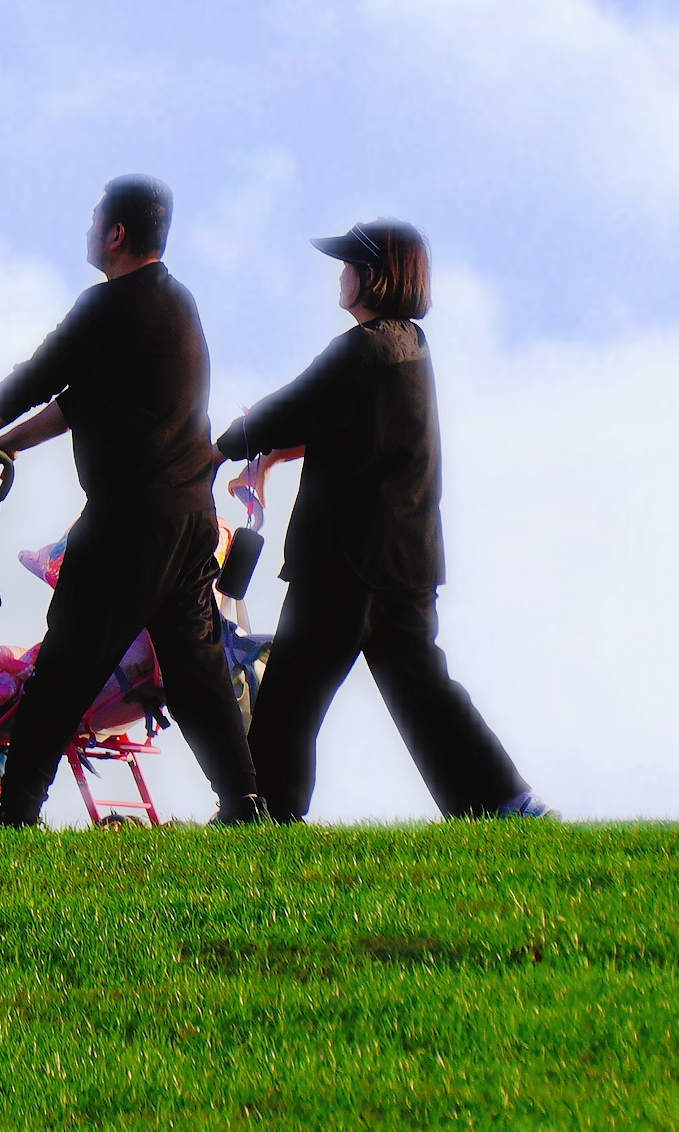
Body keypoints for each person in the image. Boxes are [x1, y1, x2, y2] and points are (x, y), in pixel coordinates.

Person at [0, 175, 260, 827]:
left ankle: (15, 812)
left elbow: (35, 378)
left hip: (127, 524)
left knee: (63, 669)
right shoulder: (176, 305)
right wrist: (5, 448)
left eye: (92, 220)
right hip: (188, 519)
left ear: (116, 234)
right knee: (195, 673)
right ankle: (245, 804)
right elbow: (78, 401)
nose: (86, 232)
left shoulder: (106, 306)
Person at [214, 219, 546, 823]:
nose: (340, 276)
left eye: (348, 265)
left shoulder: (362, 348)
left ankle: (260, 816)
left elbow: (295, 405)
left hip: (348, 560)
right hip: (405, 560)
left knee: (290, 694)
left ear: (375, 275)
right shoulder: (408, 349)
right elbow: (335, 423)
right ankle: (507, 802)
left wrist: (222, 446)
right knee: (425, 693)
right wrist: (273, 454)